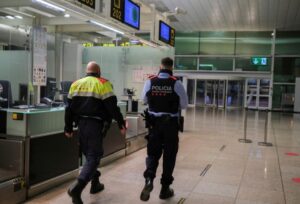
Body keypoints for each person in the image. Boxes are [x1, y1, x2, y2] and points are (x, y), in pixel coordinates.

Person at [64, 61, 126, 204]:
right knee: (94, 156)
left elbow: (69, 109)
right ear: (99, 72)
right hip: (95, 125)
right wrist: (121, 123)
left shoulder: (75, 84)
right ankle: (77, 187)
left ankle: (95, 183)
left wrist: (68, 128)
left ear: (87, 72)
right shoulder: (103, 83)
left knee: (89, 155)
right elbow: (112, 107)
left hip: (80, 126)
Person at [140, 57, 188, 201]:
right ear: (171, 67)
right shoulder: (176, 83)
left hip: (154, 125)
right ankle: (165, 189)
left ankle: (149, 179)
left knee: (153, 154)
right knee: (169, 156)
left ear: (160, 66)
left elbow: (144, 100)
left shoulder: (150, 82)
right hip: (170, 125)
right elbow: (184, 105)